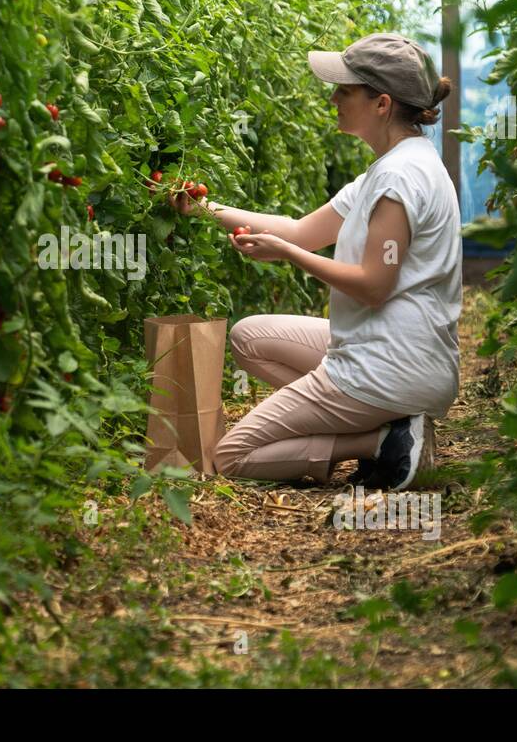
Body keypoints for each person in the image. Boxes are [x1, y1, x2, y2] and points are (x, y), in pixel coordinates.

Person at [171, 32, 461, 490]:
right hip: (397, 349)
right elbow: (301, 230)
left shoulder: (398, 179)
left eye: (344, 90)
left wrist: (289, 256)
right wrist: (204, 208)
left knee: (231, 455)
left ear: (381, 104)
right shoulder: (394, 166)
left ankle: (382, 442)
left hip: (390, 365)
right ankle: (397, 424)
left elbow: (372, 285)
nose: (332, 98)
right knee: (250, 338)